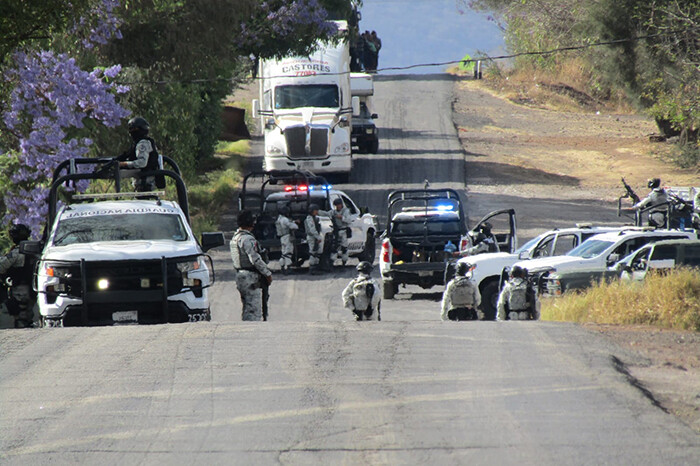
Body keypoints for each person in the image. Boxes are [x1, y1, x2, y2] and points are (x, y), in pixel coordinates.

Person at [231, 210, 272, 321]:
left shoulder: (235, 238)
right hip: (250, 277)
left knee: (247, 306)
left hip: (240, 275)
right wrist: (267, 273)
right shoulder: (247, 239)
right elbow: (255, 259)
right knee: (253, 309)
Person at [0, 224, 35, 328]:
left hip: (20, 288)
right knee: (28, 315)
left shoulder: (16, 252)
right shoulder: (36, 249)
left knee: (21, 317)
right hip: (33, 288)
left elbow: (2, 267)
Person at [116, 116, 164, 192]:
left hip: (145, 179)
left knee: (115, 173)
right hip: (142, 178)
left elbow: (142, 163)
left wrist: (123, 164)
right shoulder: (141, 142)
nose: (131, 131)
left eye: (132, 129)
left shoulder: (143, 143)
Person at [275, 204, 299, 274]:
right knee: (288, 252)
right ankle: (288, 268)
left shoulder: (279, 219)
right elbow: (294, 227)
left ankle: (282, 266)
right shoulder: (285, 219)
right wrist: (295, 224)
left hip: (282, 237)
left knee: (283, 253)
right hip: (287, 236)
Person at [329, 198, 352, 266]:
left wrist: (341, 217)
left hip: (344, 230)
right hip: (336, 231)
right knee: (334, 247)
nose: (337, 206)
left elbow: (349, 220)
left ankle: (344, 262)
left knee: (344, 247)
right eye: (336, 205)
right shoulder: (333, 212)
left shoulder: (346, 211)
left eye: (338, 205)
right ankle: (332, 261)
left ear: (341, 205)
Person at [304, 204, 324, 274]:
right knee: (313, 253)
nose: (317, 212)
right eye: (316, 210)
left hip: (315, 237)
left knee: (317, 252)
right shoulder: (309, 219)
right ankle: (312, 269)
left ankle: (316, 267)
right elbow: (312, 229)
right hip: (312, 237)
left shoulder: (315, 218)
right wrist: (318, 237)